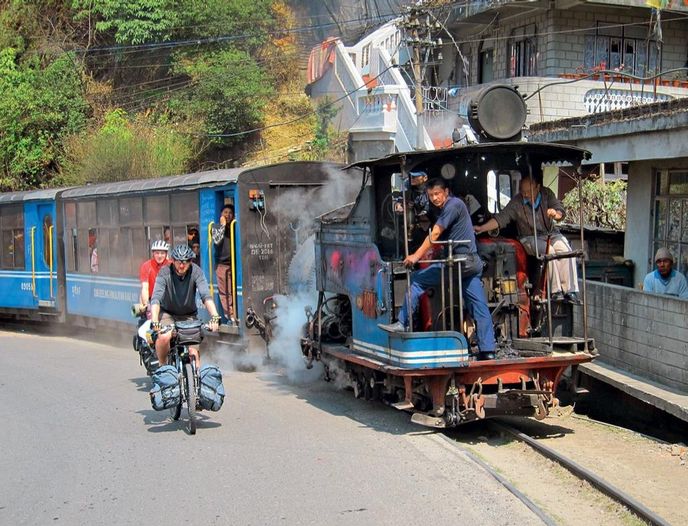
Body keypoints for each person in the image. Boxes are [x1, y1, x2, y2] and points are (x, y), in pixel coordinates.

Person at [379, 178, 496, 360]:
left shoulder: (453, 206)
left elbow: (434, 234)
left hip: (459, 262)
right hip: (471, 263)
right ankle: (488, 350)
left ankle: (402, 322)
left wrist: (416, 256)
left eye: (437, 194)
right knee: (479, 305)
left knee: (417, 279)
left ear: (446, 192)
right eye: (431, 195)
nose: (434, 198)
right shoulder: (452, 207)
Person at [474, 176, 580, 304]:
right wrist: (482, 228)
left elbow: (560, 211)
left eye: (528, 191)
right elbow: (501, 219)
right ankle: (556, 291)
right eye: (523, 191)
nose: (525, 195)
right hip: (528, 237)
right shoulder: (516, 202)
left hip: (550, 233)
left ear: (537, 187)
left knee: (566, 250)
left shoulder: (547, 194)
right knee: (549, 251)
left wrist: (555, 214)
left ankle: (570, 290)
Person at [150, 244, 221, 367]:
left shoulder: (196, 271)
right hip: (168, 314)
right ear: (173, 261)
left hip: (189, 316)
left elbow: (205, 296)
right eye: (178, 262)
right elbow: (156, 298)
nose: (181, 265)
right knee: (164, 337)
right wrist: (155, 320)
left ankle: (196, 381)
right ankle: (162, 369)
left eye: (185, 262)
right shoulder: (164, 272)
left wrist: (215, 316)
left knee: (193, 351)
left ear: (190, 262)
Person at [211, 205, 235, 323]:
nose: (228, 215)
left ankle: (235, 312)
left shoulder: (235, 227)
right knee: (225, 291)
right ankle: (229, 315)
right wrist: (223, 225)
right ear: (221, 214)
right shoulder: (215, 227)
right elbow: (217, 241)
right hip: (222, 264)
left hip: (235, 265)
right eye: (225, 212)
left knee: (234, 290)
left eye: (230, 213)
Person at [138, 240, 171, 316]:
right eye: (157, 253)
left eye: (162, 253)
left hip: (168, 301)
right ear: (153, 253)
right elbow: (145, 287)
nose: (159, 256)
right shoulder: (146, 266)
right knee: (147, 322)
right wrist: (146, 304)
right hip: (151, 299)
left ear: (166, 254)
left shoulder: (171, 265)